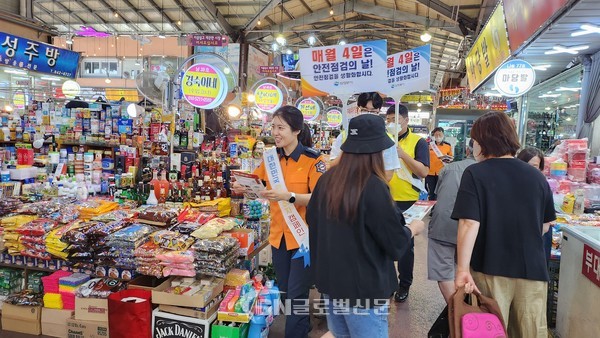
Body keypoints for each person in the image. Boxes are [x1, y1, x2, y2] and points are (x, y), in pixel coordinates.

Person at [307, 114, 424, 338]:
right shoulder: (374, 186)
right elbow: (395, 243)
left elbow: (312, 220)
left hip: (332, 284)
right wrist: (413, 228)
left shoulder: (326, 181)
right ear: (376, 151)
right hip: (365, 291)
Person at [452, 111, 556, 338]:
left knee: (490, 330)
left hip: (491, 267)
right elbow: (545, 225)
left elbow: (469, 222)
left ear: (485, 142)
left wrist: (461, 270)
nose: (473, 146)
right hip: (532, 271)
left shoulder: (475, 173)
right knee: (530, 332)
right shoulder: (536, 176)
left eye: (475, 140)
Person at [232, 106, 325, 338]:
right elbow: (259, 186)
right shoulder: (270, 158)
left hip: (304, 239)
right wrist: (244, 188)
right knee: (285, 291)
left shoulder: (314, 160)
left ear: (296, 130)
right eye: (273, 126)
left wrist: (289, 196)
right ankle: (302, 326)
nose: (275, 132)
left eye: (280, 127)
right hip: (278, 237)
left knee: (296, 293)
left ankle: (297, 333)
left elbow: (322, 198)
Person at [385, 104, 430, 302]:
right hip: (384, 198)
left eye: (395, 119)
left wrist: (402, 154)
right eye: (388, 120)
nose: (391, 123)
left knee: (405, 244)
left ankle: (404, 284)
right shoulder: (382, 140)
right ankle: (387, 283)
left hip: (408, 201)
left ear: (406, 120)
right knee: (382, 243)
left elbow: (423, 171)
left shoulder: (418, 142)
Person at [428, 139, 476, 304]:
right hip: (475, 229)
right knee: (468, 269)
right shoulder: (491, 172)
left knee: (443, 270)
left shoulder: (450, 168)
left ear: (467, 151)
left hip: (444, 224)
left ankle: (457, 313)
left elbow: (439, 193)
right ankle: (465, 313)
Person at [330, 92, 401, 181]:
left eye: (373, 111)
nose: (368, 114)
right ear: (357, 109)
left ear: (379, 111)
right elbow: (332, 167)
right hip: (347, 190)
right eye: (364, 110)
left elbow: (388, 175)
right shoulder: (345, 136)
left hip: (372, 191)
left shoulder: (387, 140)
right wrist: (348, 147)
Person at [517, 146, 552, 265]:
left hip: (536, 240)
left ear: (540, 168)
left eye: (534, 166)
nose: (529, 170)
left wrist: (531, 238)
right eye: (525, 164)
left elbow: (547, 223)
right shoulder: (509, 185)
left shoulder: (543, 187)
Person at [426, 127, 453, 201]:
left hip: (441, 172)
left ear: (443, 135)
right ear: (433, 135)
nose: (438, 136)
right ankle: (432, 208)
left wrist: (447, 159)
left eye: (440, 134)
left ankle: (438, 206)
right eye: (436, 135)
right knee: (431, 192)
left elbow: (451, 158)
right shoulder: (429, 145)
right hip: (430, 172)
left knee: (440, 191)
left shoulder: (447, 146)